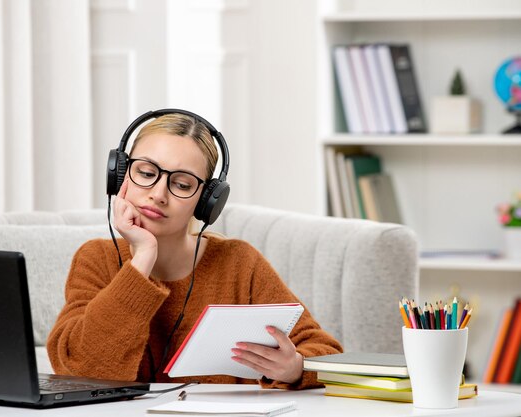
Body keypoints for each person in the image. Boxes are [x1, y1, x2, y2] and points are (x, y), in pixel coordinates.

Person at [47, 111, 342, 390]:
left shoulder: (239, 263)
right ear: (121, 174)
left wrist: (295, 369)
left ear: (207, 201)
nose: (158, 194)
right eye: (147, 173)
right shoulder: (97, 259)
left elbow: (328, 355)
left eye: (182, 184)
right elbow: (85, 372)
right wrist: (142, 259)